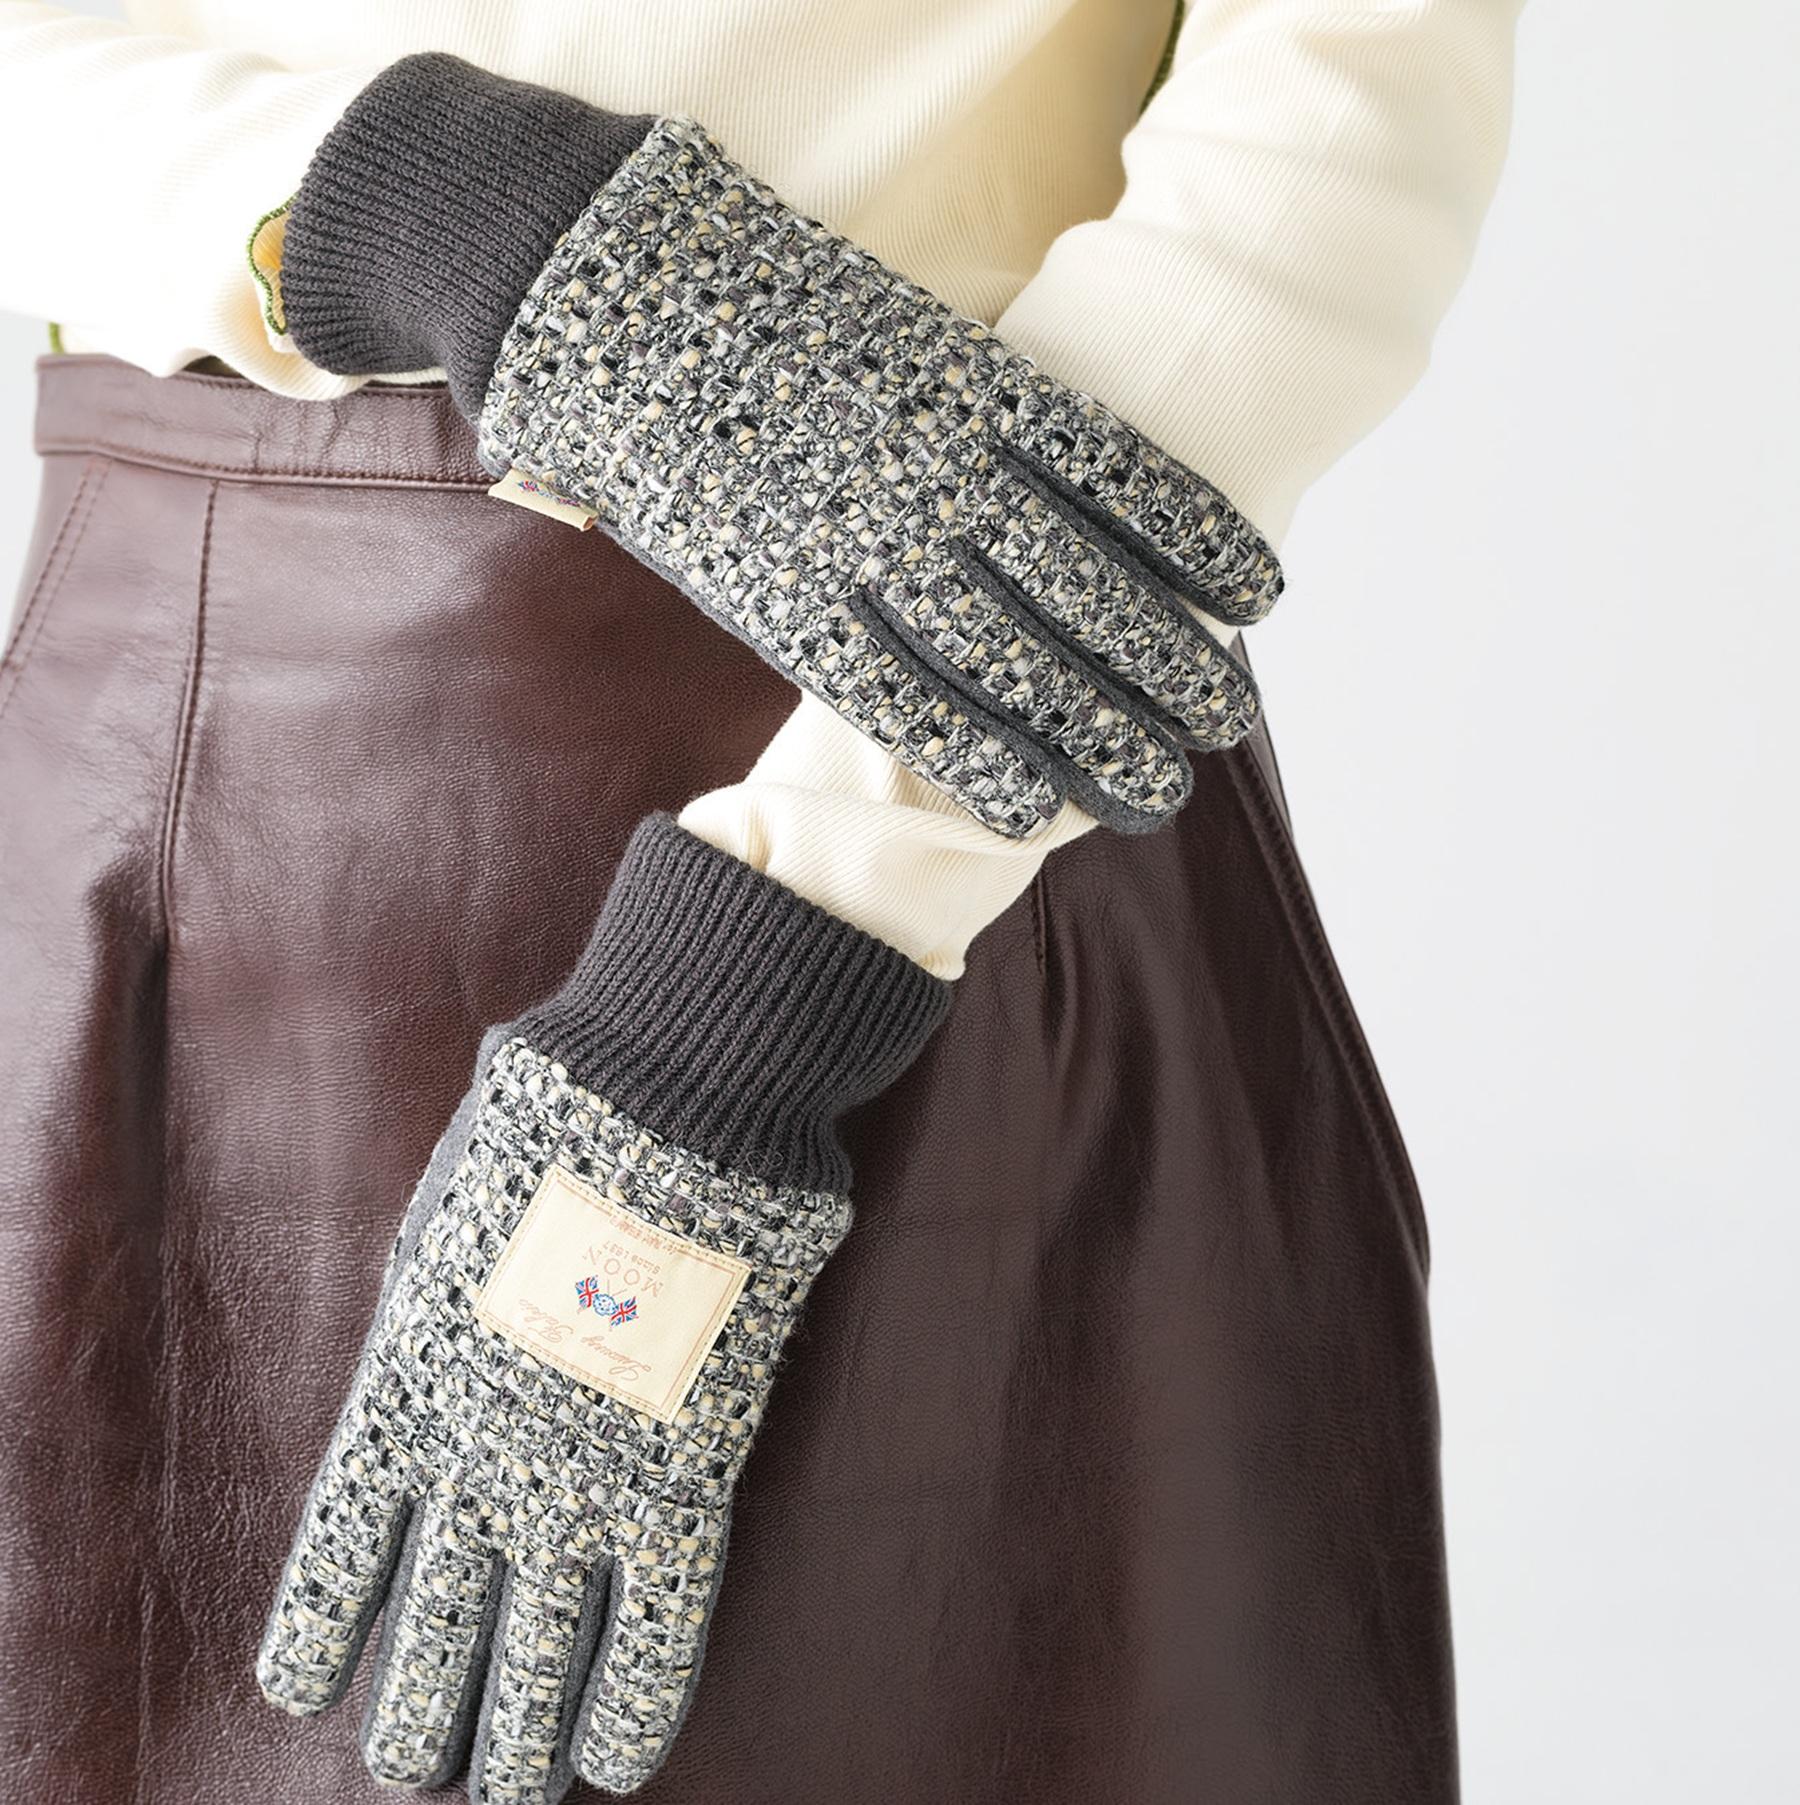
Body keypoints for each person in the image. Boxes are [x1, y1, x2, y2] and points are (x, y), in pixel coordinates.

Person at [0, 3, 1518, 1801]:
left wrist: (754, 983)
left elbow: (1335, 126)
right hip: (177, 813)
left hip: (956, 799)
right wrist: (428, 206)